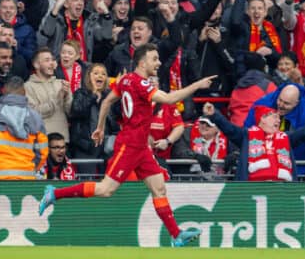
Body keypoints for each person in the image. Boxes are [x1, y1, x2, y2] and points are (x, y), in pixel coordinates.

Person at [39, 43, 217, 247]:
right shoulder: (142, 84)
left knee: (159, 188)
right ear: (142, 63)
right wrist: (197, 84)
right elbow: (169, 99)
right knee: (106, 189)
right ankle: (54, 193)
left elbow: (107, 102)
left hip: (141, 147)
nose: (158, 63)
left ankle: (176, 235)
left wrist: (100, 128)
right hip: (130, 145)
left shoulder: (126, 81)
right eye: (154, 59)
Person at [203, 101, 305, 181]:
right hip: (253, 190)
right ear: (262, 119)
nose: (278, 121)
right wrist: (214, 115)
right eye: (274, 117)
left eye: (279, 118)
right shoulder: (247, 135)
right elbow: (229, 128)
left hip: (282, 191)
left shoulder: (286, 137)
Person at [0, 76, 48, 180]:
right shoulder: (35, 117)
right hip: (26, 178)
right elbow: (42, 153)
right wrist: (32, 169)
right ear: (24, 92)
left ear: (4, 91)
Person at [69, 63, 115, 176]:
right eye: (96, 73)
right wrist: (93, 96)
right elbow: (76, 112)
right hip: (85, 146)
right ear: (89, 77)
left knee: (106, 181)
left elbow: (115, 121)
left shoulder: (110, 97)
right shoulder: (81, 93)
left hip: (105, 147)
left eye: (103, 74)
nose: (100, 76)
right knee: (87, 181)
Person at [25, 47, 73, 142]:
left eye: (52, 60)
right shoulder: (27, 87)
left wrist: (67, 96)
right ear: (36, 65)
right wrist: (58, 98)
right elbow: (33, 114)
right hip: (41, 141)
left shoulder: (61, 83)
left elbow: (70, 112)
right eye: (47, 60)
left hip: (63, 141)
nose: (52, 63)